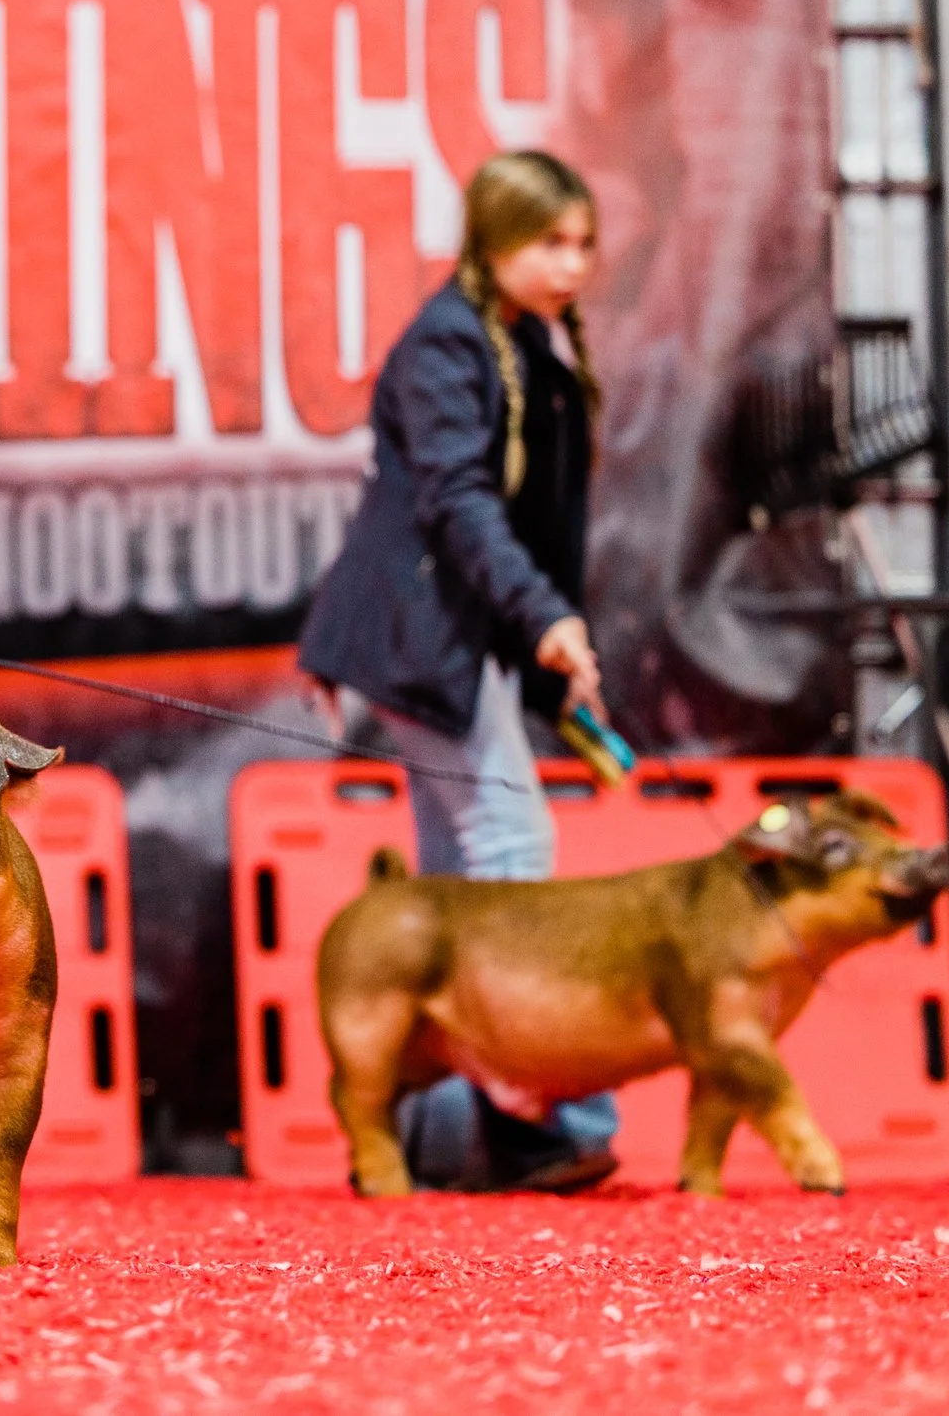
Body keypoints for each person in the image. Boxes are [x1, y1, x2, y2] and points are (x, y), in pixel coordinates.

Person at [297, 149, 620, 1193]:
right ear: (490, 241)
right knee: (507, 844)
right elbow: (458, 504)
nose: (570, 263)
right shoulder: (447, 345)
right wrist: (544, 619)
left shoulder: (520, 341)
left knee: (461, 867)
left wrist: (537, 623)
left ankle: (442, 1129)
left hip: (450, 633)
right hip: (420, 634)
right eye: (548, 241)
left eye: (582, 242)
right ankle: (524, 1108)